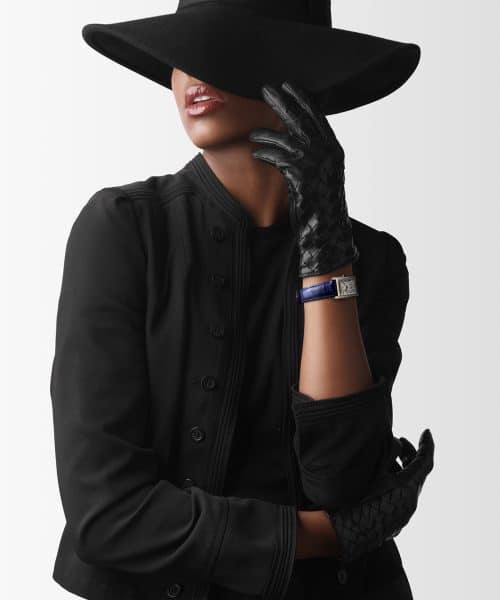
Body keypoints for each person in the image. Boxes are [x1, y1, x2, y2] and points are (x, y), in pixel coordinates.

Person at [50, 2, 435, 600]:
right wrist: (325, 536)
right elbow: (106, 515)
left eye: (226, 49)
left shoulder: (374, 260)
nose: (193, 74)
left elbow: (339, 479)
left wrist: (325, 244)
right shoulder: (125, 229)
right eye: (183, 52)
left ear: (307, 70)